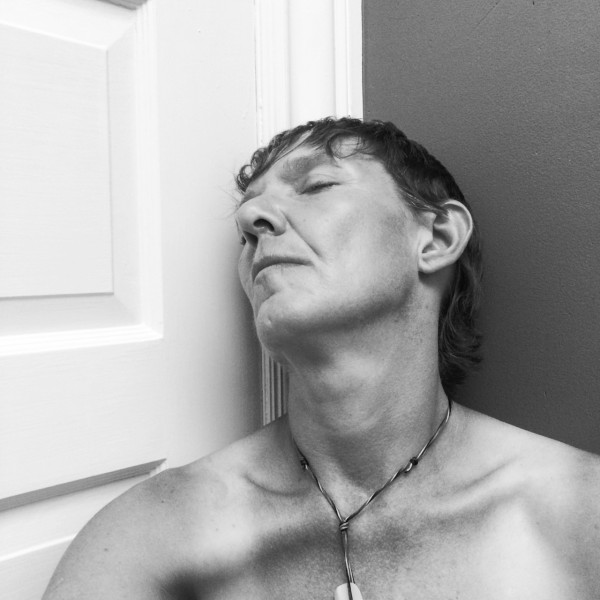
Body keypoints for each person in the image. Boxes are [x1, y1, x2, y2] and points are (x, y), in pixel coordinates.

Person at [43, 117, 600, 600]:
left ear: (435, 238)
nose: (253, 219)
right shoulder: (157, 531)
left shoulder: (577, 512)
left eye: (315, 185)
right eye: (245, 222)